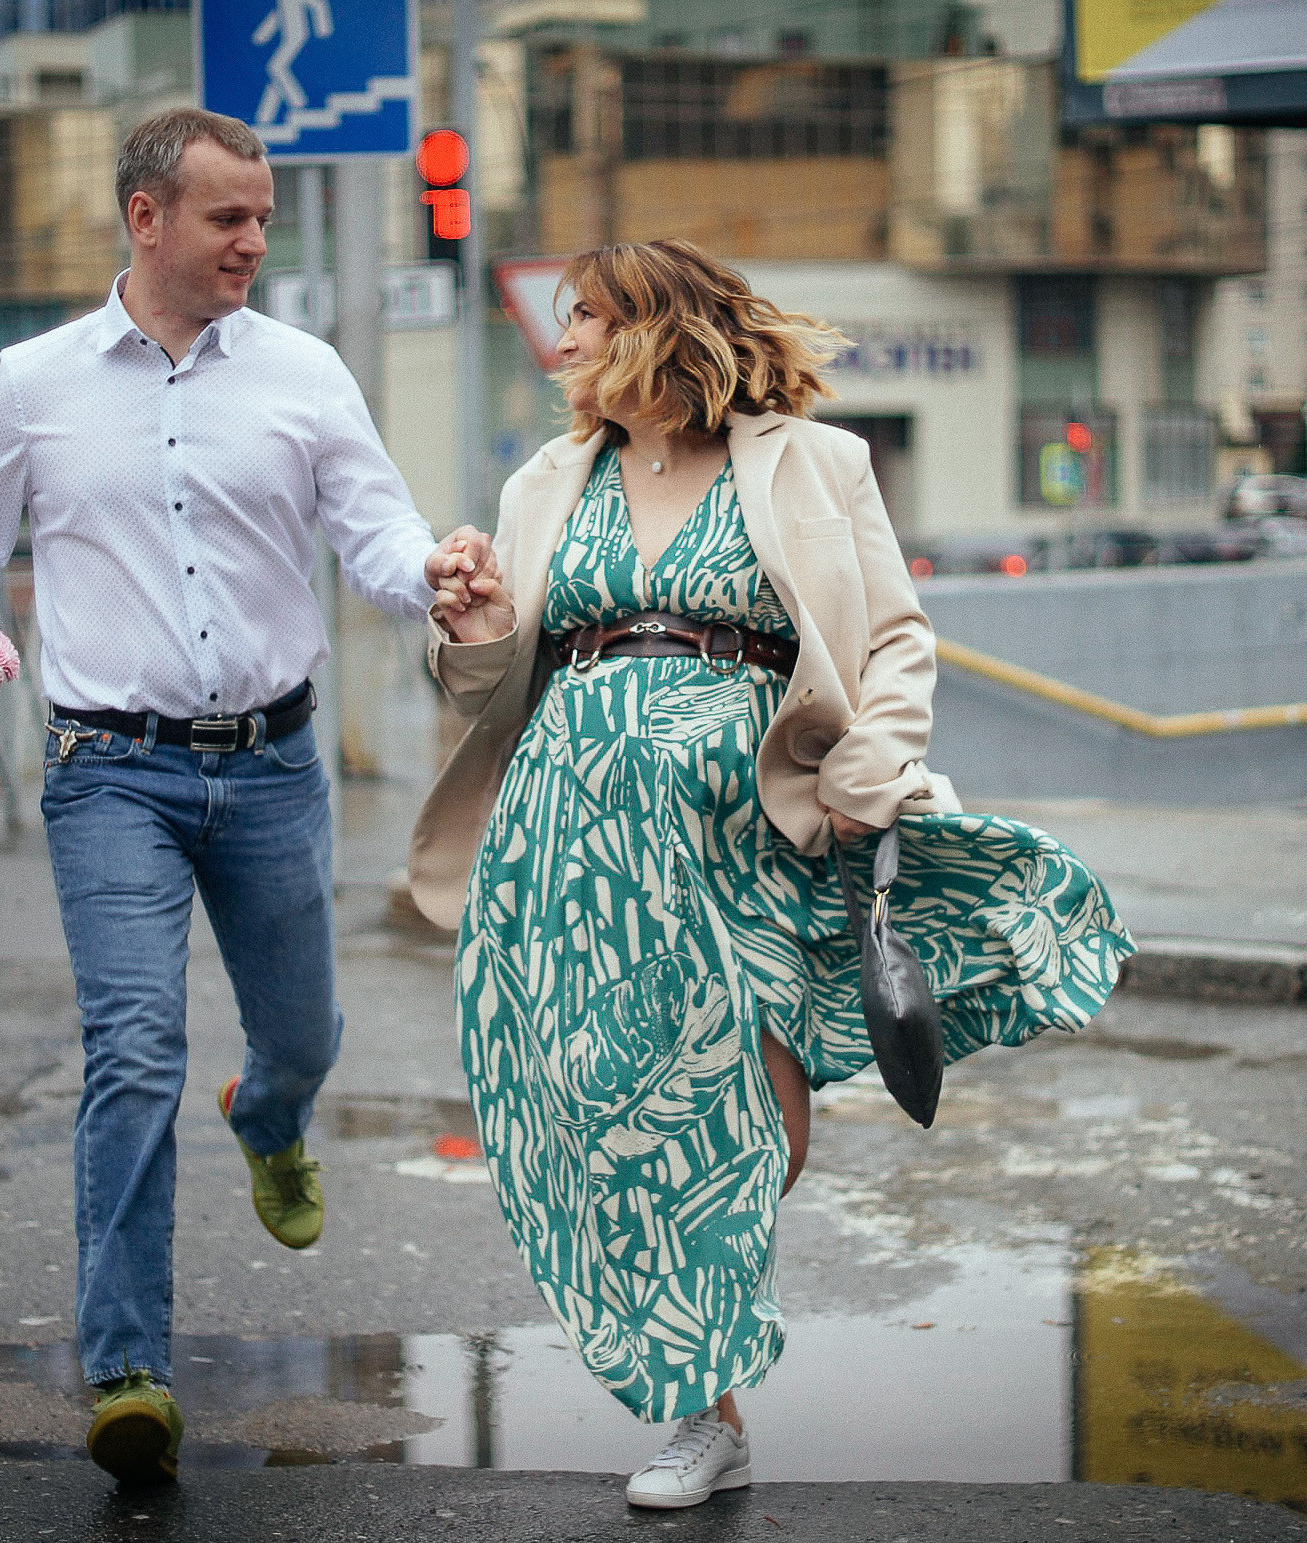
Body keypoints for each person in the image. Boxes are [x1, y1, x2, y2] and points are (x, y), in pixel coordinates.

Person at [410, 239, 1131, 1509]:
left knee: (758, 1129)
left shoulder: (809, 461)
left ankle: (704, 1342)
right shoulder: (544, 482)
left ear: (656, 329)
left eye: (587, 317)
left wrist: (874, 767)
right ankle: (706, 1412)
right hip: (571, 842)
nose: (563, 340)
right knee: (602, 1111)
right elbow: (493, 682)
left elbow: (897, 635)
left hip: (746, 825)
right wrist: (469, 624)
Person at [0, 107, 498, 1487]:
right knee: (132, 1049)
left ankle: (272, 1115)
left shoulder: (301, 372)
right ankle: (126, 1367)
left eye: (265, 219)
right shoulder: (34, 383)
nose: (252, 242)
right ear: (145, 217)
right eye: (229, 217)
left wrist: (438, 572)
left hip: (273, 766)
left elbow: (374, 528)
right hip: (110, 769)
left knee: (304, 1031)